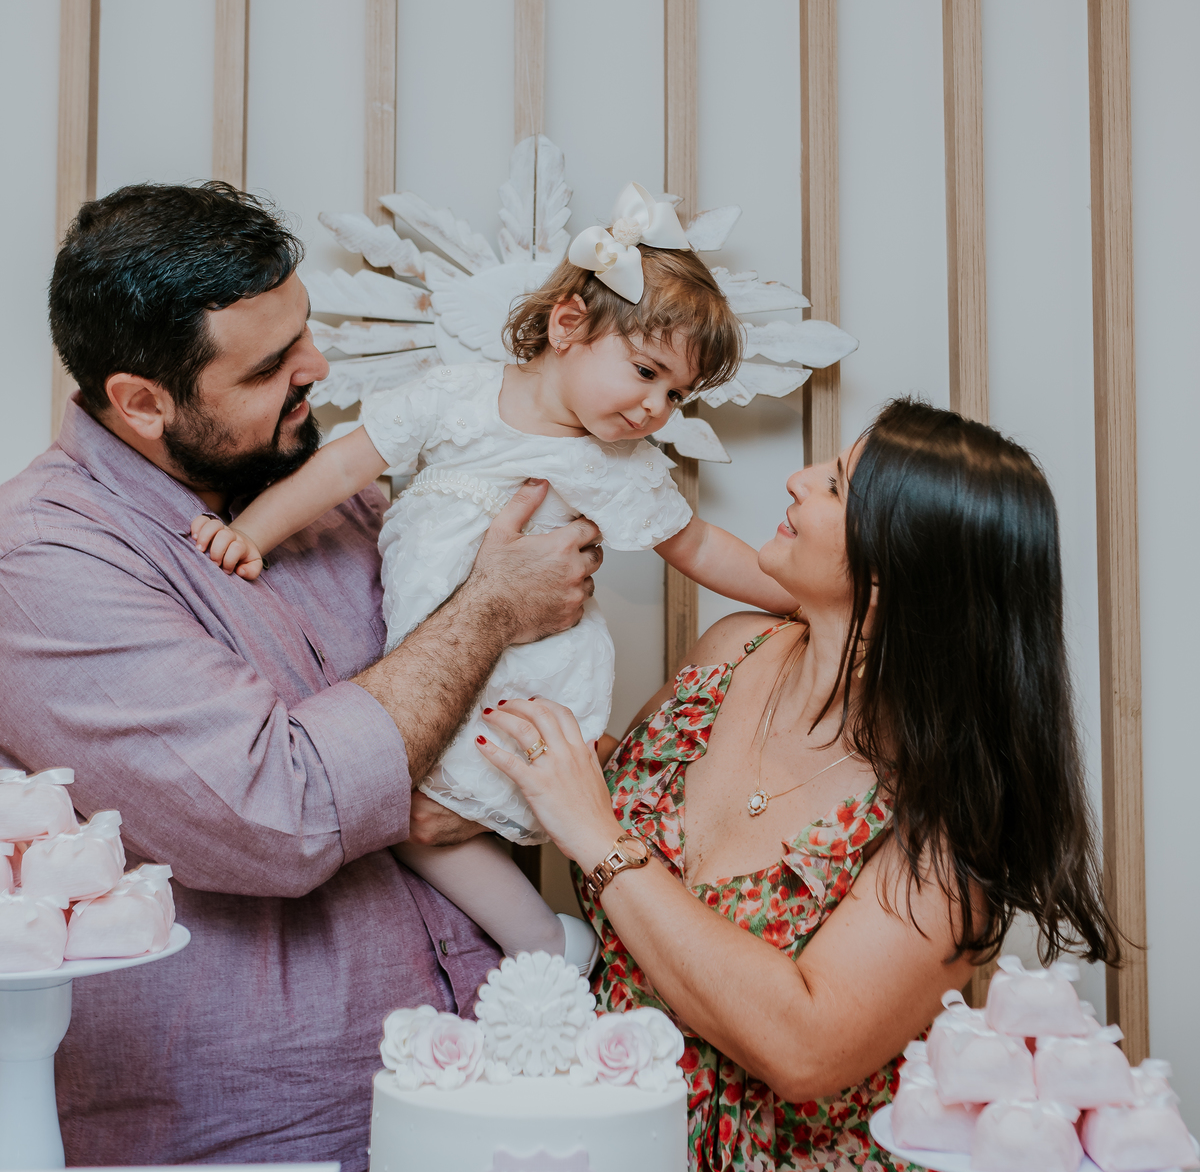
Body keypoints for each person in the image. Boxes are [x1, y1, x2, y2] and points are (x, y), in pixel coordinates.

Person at [0, 182, 601, 1172]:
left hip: (482, 1119)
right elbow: (282, 810)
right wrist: (489, 610)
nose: (314, 370)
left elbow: (462, 742)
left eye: (305, 334)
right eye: (269, 365)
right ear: (141, 400)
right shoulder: (47, 559)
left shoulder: (329, 497)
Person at [475, 400, 1118, 1172]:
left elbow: (808, 1046)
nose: (793, 482)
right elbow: (628, 865)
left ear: (898, 571)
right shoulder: (728, 656)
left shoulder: (954, 823)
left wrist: (599, 837)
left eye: (833, 484)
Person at [189, 181, 793, 968]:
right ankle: (548, 942)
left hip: (533, 672)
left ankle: (541, 940)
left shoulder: (619, 465)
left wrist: (806, 595)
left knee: (412, 815)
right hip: (438, 655)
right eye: (646, 373)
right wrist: (250, 533)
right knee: (399, 810)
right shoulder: (456, 398)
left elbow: (704, 549)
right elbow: (343, 465)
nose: (657, 409)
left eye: (677, 395)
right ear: (568, 326)